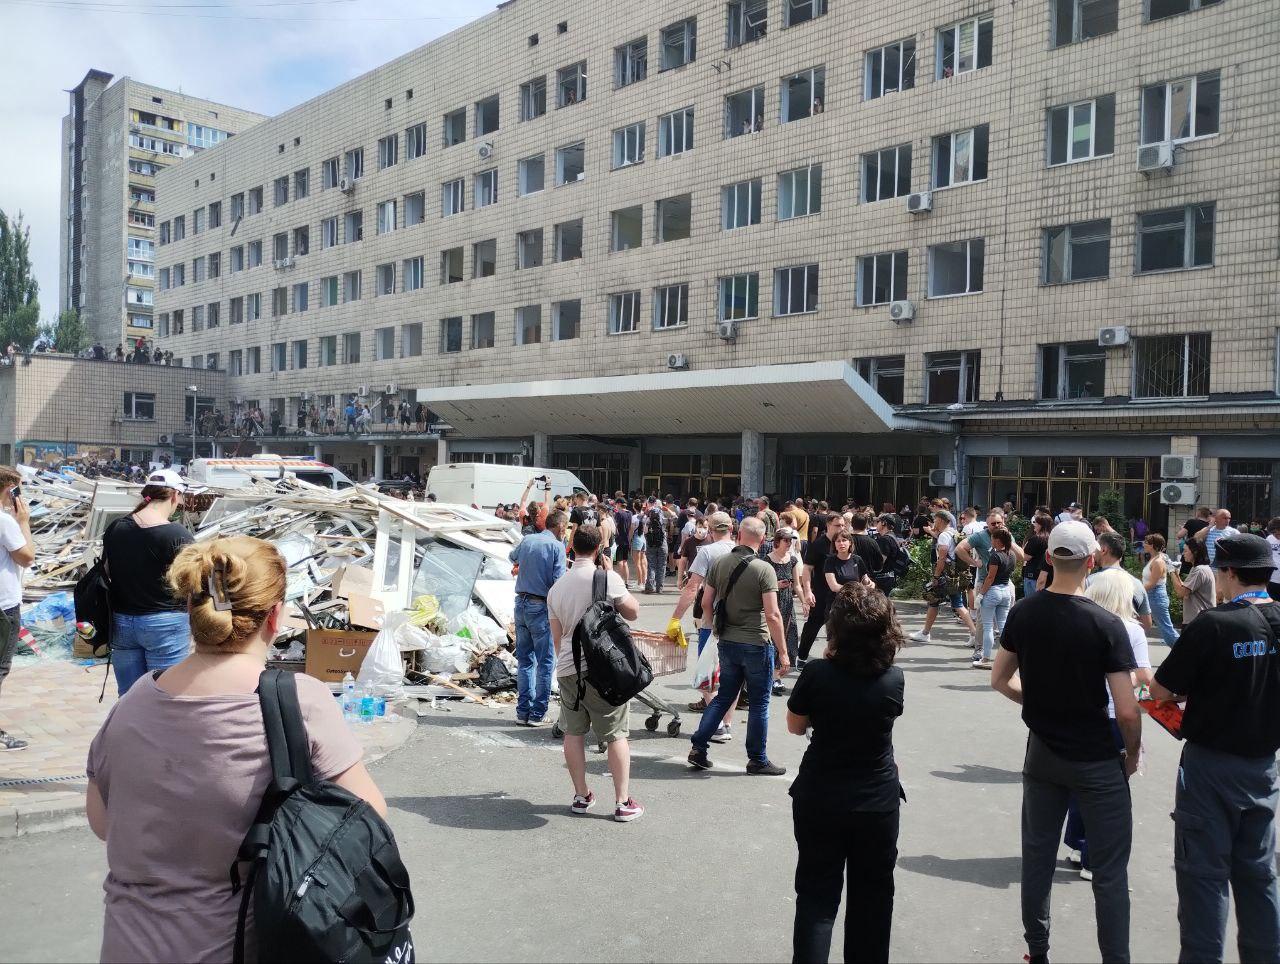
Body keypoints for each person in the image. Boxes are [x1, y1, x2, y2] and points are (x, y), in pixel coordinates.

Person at [85, 536, 387, 963]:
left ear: (189, 609)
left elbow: (103, 822)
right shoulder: (298, 701)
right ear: (275, 616)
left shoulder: (133, 701)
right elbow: (368, 816)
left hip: (127, 946)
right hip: (242, 947)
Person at [991, 520, 1140, 964]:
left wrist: (1035, 701)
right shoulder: (1106, 623)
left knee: (1037, 858)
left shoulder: (1024, 612)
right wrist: (1131, 753)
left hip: (1043, 752)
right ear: (1091, 561)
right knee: (1110, 874)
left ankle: (1038, 952)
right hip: (1096, 755)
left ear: (1050, 558)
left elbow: (999, 679)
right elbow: (1127, 708)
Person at [1148, 533, 1280, 963]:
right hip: (1264, 766)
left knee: (1204, 877)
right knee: (1259, 874)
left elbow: (1162, 688)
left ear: (1228, 573)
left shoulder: (1215, 624)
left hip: (1210, 767)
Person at [786, 584, 905, 964]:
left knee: (817, 898)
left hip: (821, 793)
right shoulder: (893, 679)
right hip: (876, 798)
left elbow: (794, 725)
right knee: (872, 899)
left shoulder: (819, 673)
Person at [547, 525, 644, 823]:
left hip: (567, 668)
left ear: (572, 547)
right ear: (601, 546)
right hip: (601, 668)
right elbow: (633, 612)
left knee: (573, 731)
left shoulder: (557, 587)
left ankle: (581, 795)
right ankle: (622, 801)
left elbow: (557, 636)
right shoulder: (606, 578)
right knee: (615, 734)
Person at [1063, 568, 1154, 881]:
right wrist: (1146, 703)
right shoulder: (1132, 630)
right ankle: (1093, 856)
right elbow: (1143, 679)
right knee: (1109, 791)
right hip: (1116, 715)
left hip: (1080, 716)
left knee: (1079, 783)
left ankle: (1077, 844)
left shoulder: (1078, 623)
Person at [688, 517, 790, 775]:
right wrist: (784, 651)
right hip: (756, 641)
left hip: (728, 641)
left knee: (724, 696)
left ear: (739, 535)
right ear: (764, 539)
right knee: (759, 702)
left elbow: (706, 601)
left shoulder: (720, 563)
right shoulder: (764, 568)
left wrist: (712, 627)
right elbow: (773, 615)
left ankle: (699, 746)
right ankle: (757, 758)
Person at [103, 469, 196, 695]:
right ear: (174, 495)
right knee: (167, 695)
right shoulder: (176, 534)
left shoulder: (117, 528)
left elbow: (106, 572)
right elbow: (193, 584)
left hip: (122, 622)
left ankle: (130, 731)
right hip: (165, 625)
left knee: (129, 696)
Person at [668, 512, 736, 731]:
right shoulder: (741, 550)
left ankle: (718, 725)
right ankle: (727, 723)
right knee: (730, 675)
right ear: (732, 529)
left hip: (712, 619)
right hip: (740, 621)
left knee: (708, 673)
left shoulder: (707, 551)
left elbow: (692, 588)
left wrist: (675, 618)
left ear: (710, 530)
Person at [509, 510, 568, 726]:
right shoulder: (557, 547)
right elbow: (558, 583)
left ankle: (523, 711)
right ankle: (537, 713)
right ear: (561, 527)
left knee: (525, 660)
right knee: (545, 662)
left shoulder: (528, 540)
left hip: (521, 603)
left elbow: (512, 557)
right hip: (540, 606)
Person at [0, 468, 35, 752]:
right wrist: (24, 522)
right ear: (10, 491)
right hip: (3, 607)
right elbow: (26, 557)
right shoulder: (4, 521)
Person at [908, 511, 978, 646]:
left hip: (946, 575)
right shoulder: (954, 533)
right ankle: (925, 632)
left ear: (940, 520)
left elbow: (942, 558)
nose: (934, 521)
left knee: (957, 604)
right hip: (955, 574)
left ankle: (975, 634)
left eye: (935, 519)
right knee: (934, 601)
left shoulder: (944, 537)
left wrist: (936, 576)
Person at [798, 513, 846, 664]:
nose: (841, 528)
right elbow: (807, 569)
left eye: (843, 525)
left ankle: (837, 658)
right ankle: (802, 656)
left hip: (842, 595)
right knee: (813, 625)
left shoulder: (846, 542)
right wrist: (807, 591)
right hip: (821, 593)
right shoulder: (819, 544)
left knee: (840, 629)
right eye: (838, 525)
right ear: (828, 526)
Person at [764, 526, 803, 696]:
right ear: (777, 542)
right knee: (771, 639)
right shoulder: (767, 560)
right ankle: (772, 677)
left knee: (788, 637)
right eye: (786, 541)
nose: (789, 544)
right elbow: (763, 584)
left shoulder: (792, 560)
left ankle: (776, 676)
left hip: (787, 604)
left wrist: (804, 601)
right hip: (772, 602)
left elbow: (797, 585)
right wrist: (777, 585)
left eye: (791, 541)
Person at [1088, 532, 1154, 631]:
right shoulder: (1137, 584)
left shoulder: (1089, 581)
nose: (1093, 552)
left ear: (1103, 550)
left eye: (1095, 548)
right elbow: (1147, 624)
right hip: (1125, 642)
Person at [974, 528, 1015, 669]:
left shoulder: (995, 556)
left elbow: (990, 577)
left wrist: (980, 595)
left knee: (988, 627)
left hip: (993, 591)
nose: (990, 540)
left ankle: (985, 658)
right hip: (1005, 590)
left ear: (997, 540)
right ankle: (1008, 659)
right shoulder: (1012, 555)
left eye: (992, 538)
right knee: (1003, 626)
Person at [1171, 537, 1216, 629]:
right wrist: (1176, 573)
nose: (1183, 554)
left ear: (1195, 552)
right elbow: (1185, 588)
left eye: (1186, 551)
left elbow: (1181, 592)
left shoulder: (1199, 570)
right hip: (1199, 620)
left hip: (1197, 621)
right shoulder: (1198, 568)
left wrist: (1171, 571)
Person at [1142, 533, 1178, 646]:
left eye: (1146, 543)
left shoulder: (1158, 561)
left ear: (1152, 546)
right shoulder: (1155, 558)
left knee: (1167, 630)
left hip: (1155, 597)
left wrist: (1136, 590)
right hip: (1151, 596)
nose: (1143, 544)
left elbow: (1152, 583)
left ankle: (1183, 650)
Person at [1021, 513, 1054, 598]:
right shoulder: (1052, 538)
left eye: (1036, 523)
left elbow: (1025, 557)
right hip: (1049, 576)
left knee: (1031, 605)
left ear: (1041, 525)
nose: (1034, 525)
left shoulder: (1036, 538)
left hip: (1033, 575)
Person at [642, 504, 668, 594]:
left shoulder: (647, 521)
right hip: (662, 545)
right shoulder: (664, 521)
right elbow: (675, 517)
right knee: (662, 566)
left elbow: (644, 532)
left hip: (651, 545)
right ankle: (659, 588)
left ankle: (649, 587)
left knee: (651, 565)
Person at [1267, 517, 1280, 601]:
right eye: (1274, 534)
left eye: (1279, 533)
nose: (1277, 536)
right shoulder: (1269, 539)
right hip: (1272, 579)